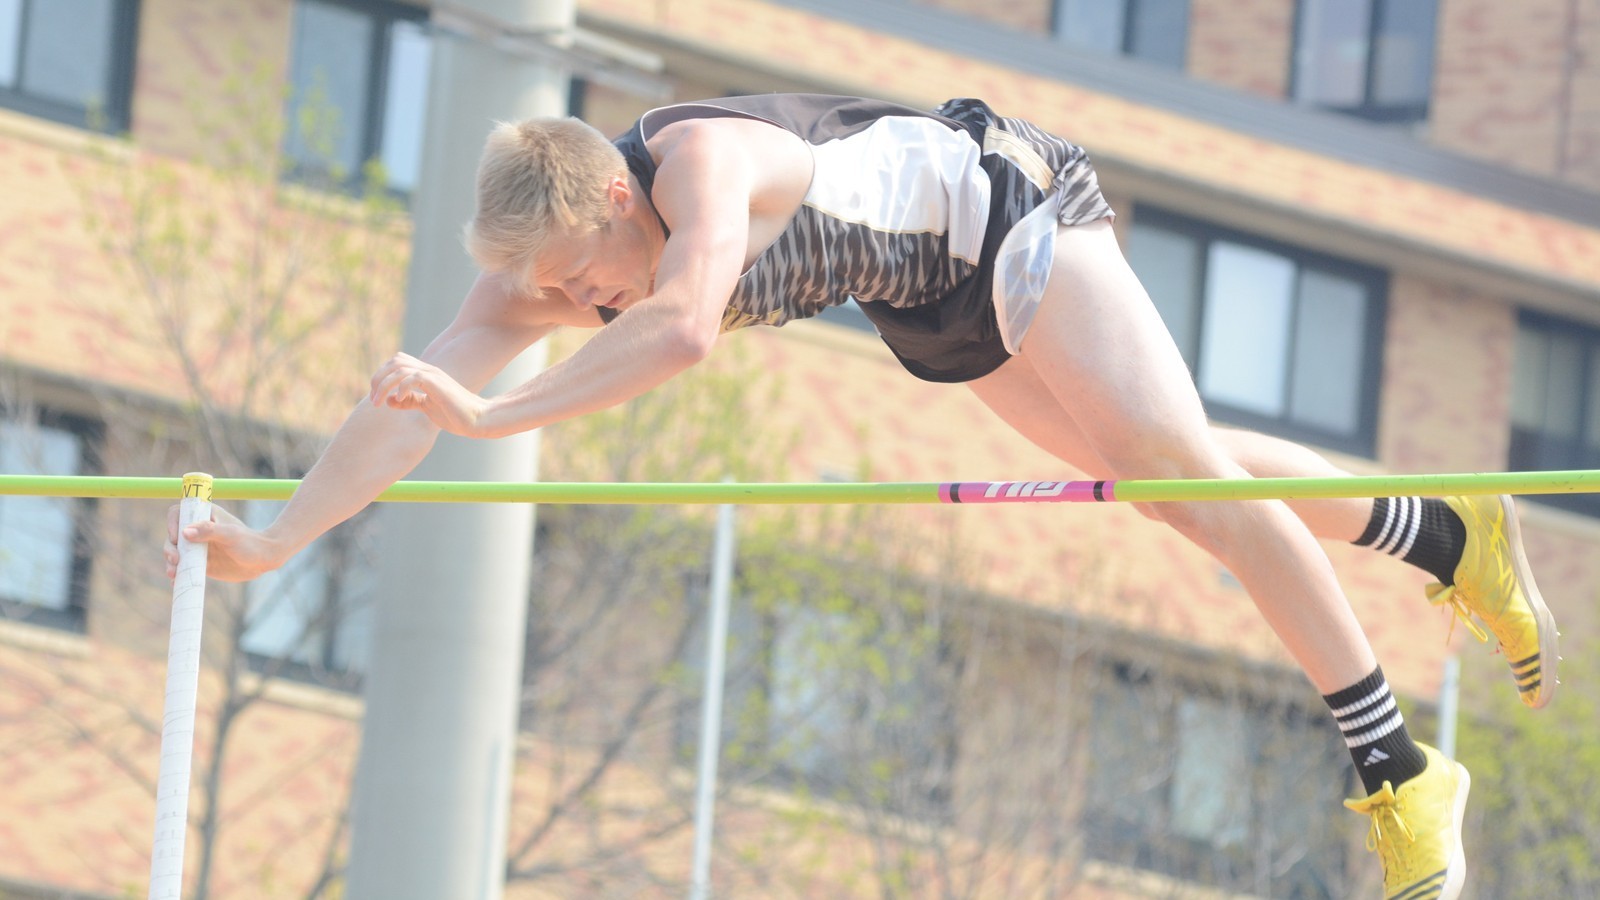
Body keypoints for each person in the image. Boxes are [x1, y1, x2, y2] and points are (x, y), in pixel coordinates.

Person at [164, 94, 1556, 898]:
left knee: (1184, 479)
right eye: (545, 301)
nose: (569, 308)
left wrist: (497, 412)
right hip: (926, 306)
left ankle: (1402, 768)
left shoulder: (696, 167)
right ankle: (1447, 531)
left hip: (1004, 215)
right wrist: (284, 536)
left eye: (577, 281)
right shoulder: (549, 263)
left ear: (606, 196)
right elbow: (402, 408)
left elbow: (683, 329)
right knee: (1172, 484)